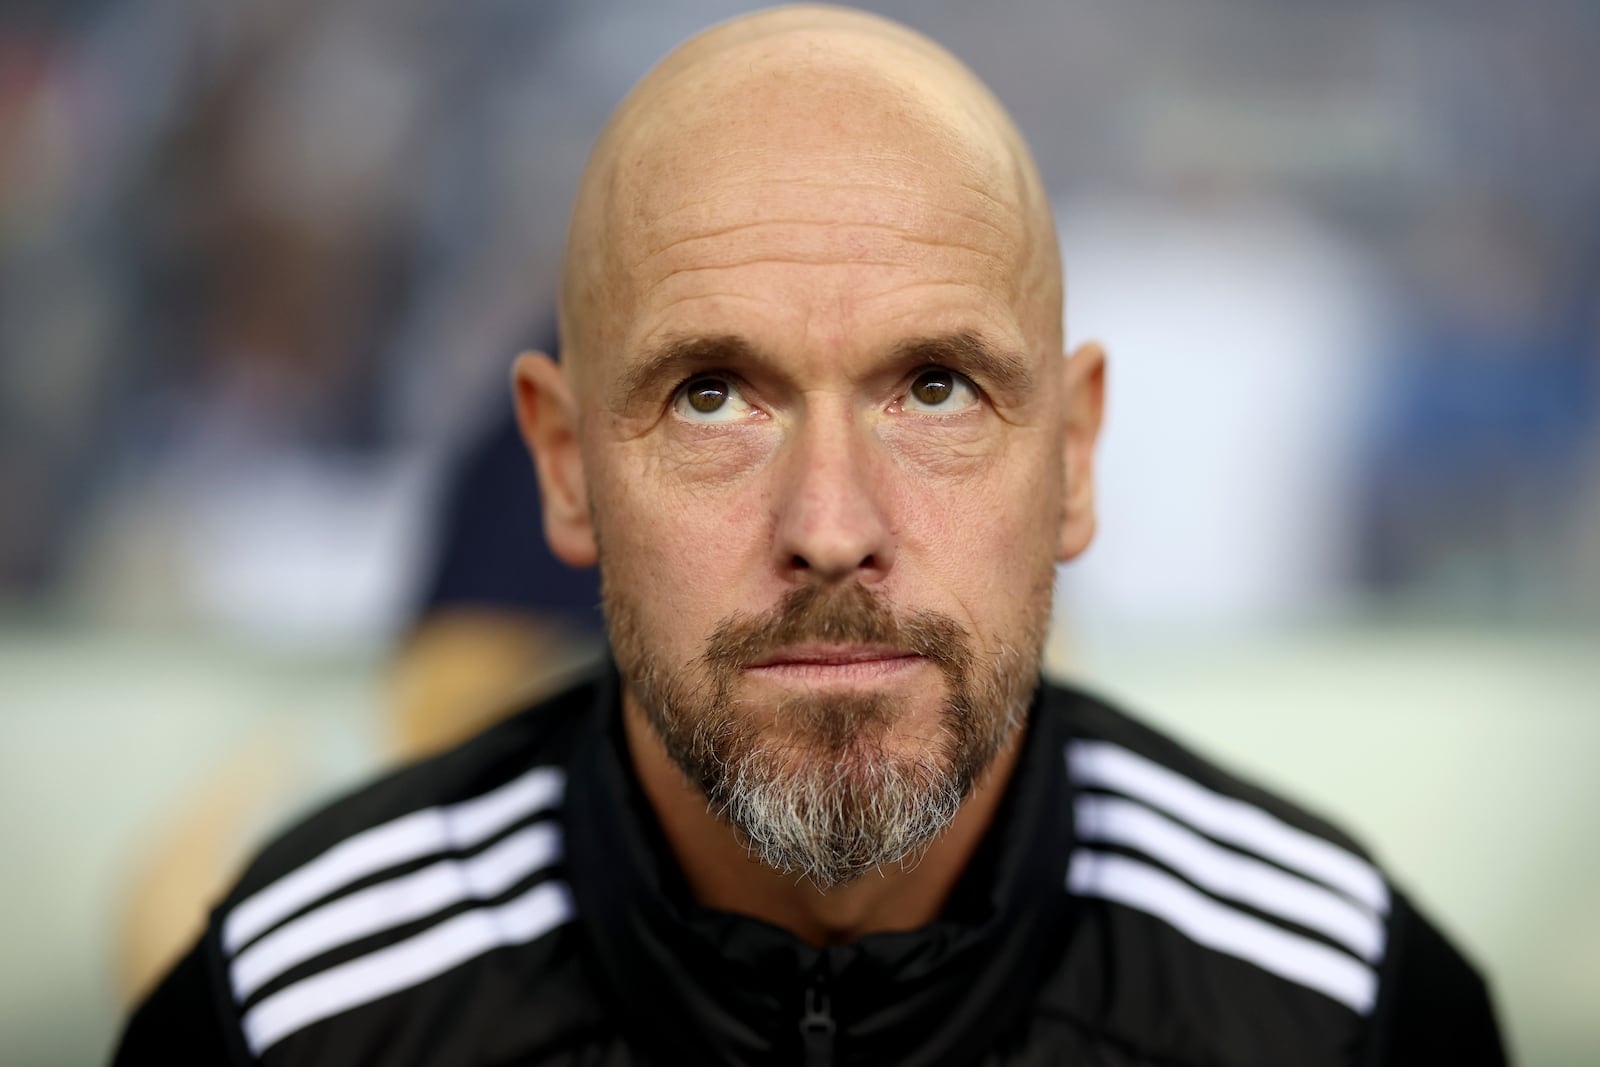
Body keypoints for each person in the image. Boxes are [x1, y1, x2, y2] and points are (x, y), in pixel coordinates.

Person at [113, 7, 1507, 1065]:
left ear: (1074, 459)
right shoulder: (290, 1012)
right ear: (565, 470)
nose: (832, 530)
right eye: (712, 395)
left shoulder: (1346, 1012)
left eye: (937, 387)